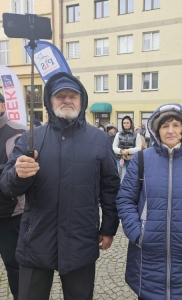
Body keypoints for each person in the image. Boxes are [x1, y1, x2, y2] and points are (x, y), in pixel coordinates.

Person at [0, 72, 120, 300]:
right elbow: (7, 187)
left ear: (81, 101)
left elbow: (110, 187)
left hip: (81, 240)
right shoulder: (30, 138)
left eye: (72, 95)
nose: (67, 100)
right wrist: (18, 173)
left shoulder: (99, 139)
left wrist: (108, 228)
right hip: (35, 238)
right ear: (50, 102)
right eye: (60, 96)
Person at [116, 103, 182, 300]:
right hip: (148, 257)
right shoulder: (141, 159)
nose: (171, 130)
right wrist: (137, 233)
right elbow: (125, 199)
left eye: (175, 125)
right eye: (165, 126)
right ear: (157, 131)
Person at [0, 93, 27, 300]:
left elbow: (21, 173)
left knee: (14, 266)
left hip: (11, 214)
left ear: (2, 106)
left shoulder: (18, 132)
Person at [113, 115, 141, 181]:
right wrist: (121, 151)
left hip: (132, 160)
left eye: (127, 123)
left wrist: (128, 151)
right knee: (121, 179)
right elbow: (114, 147)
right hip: (120, 160)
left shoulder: (136, 134)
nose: (125, 124)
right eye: (124, 123)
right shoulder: (118, 134)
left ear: (131, 123)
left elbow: (138, 148)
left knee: (131, 179)